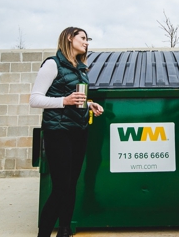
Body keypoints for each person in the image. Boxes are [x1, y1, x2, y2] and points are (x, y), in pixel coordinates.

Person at [30, 27, 104, 237]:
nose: (86, 42)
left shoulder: (81, 69)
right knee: (61, 188)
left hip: (78, 130)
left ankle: (64, 231)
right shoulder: (53, 64)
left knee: (71, 185)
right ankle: (43, 234)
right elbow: (34, 99)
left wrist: (89, 105)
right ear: (70, 38)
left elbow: (76, 99)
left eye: (88, 39)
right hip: (58, 132)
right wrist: (64, 101)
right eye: (83, 38)